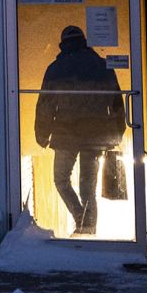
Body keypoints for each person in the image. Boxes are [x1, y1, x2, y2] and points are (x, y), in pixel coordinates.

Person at [35, 25, 126, 236]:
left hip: (65, 133)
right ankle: (89, 228)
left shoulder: (56, 68)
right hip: (95, 134)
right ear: (84, 41)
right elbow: (116, 102)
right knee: (88, 186)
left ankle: (80, 220)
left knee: (61, 180)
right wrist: (117, 132)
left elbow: (45, 105)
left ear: (63, 44)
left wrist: (42, 134)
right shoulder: (102, 65)